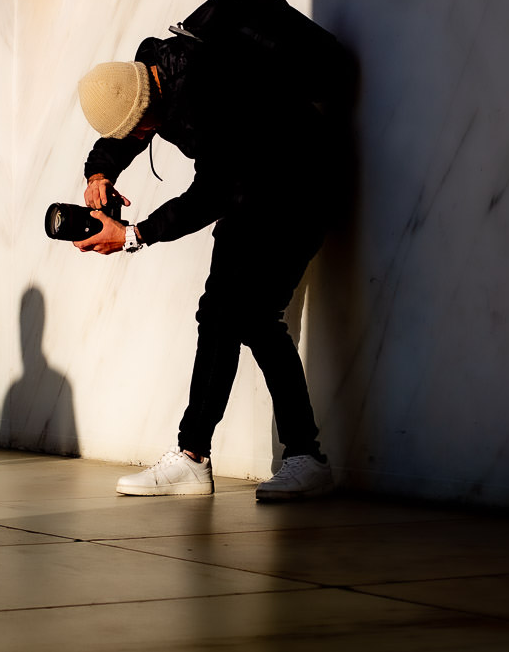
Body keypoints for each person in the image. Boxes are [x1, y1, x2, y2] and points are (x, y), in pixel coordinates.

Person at [74, 27, 337, 501]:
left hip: (299, 186)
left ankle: (305, 456)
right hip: (252, 188)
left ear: (145, 118)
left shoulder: (208, 96)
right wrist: (100, 172)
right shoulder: (149, 74)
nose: (137, 137)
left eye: (136, 132)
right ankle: (193, 457)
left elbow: (210, 195)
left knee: (255, 316)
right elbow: (128, 126)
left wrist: (134, 235)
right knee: (218, 314)